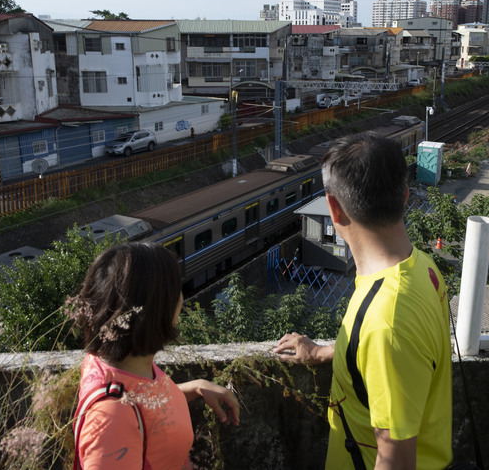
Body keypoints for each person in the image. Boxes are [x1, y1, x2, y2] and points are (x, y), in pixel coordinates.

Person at [274, 132, 452, 470]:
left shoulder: (386, 323)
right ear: (405, 195)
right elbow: (380, 357)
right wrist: (324, 351)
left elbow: (396, 462)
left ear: (334, 209)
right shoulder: (422, 268)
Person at [72, 242, 240, 470]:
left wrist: (194, 387)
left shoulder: (115, 364)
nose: (181, 297)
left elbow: (142, 403)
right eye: (176, 288)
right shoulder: (112, 418)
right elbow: (125, 415)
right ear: (157, 306)